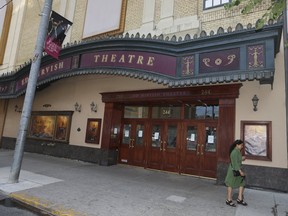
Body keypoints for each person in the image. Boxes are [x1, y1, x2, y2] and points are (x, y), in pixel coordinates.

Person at [225, 139, 247, 207]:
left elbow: (238, 160)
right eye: (241, 145)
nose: (242, 146)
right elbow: (235, 163)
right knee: (230, 185)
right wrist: (240, 172)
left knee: (242, 183)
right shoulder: (234, 152)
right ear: (237, 145)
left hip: (237, 170)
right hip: (233, 171)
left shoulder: (238, 151)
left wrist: (242, 158)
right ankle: (228, 200)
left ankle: (239, 199)